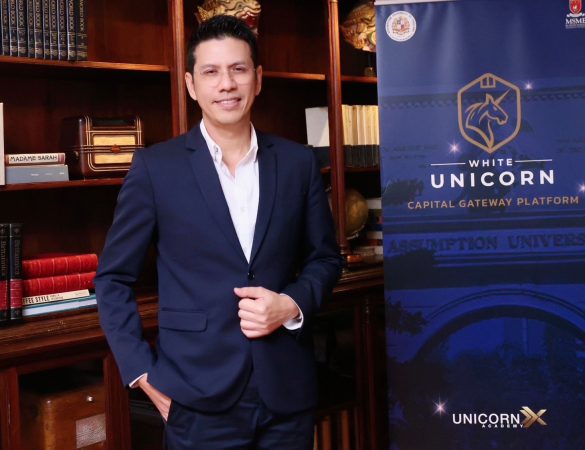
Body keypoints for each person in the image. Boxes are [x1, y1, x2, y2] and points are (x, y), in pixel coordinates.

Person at [94, 14, 343, 450]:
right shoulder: (156, 168)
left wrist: (291, 304)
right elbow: (112, 279)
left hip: (286, 394)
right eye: (211, 72)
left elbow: (326, 258)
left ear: (258, 78)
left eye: (238, 69)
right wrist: (142, 374)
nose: (226, 84)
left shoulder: (297, 162)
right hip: (194, 397)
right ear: (191, 85)